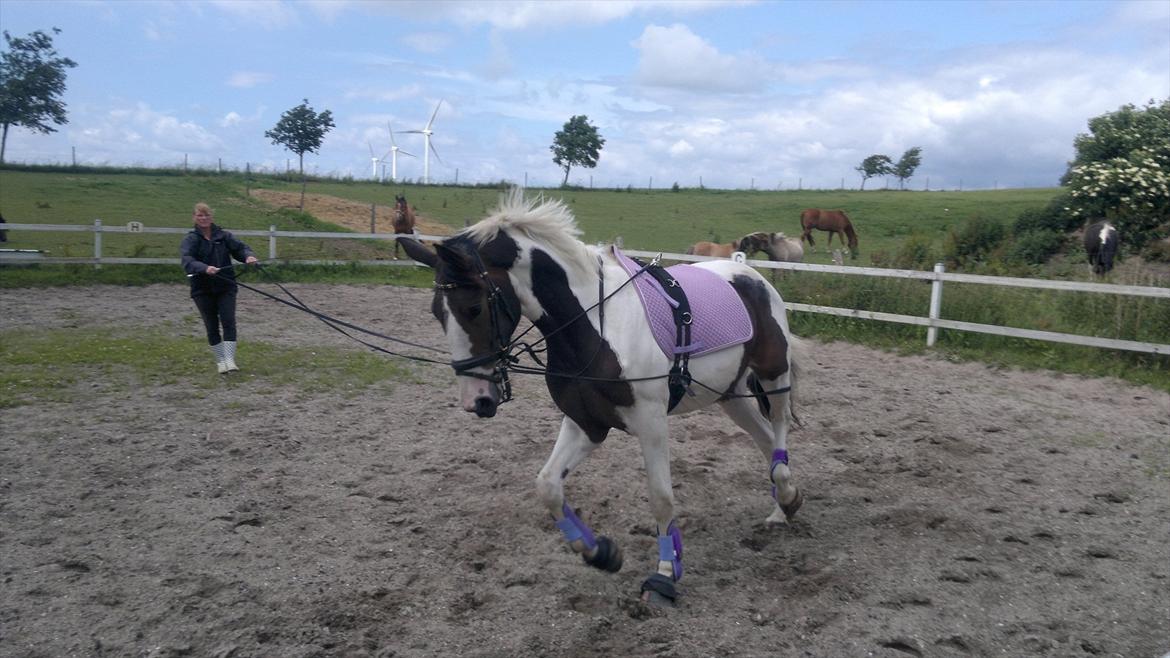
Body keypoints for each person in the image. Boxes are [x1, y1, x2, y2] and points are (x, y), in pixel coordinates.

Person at [180, 202, 258, 373]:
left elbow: (241, 248)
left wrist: (248, 257)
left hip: (226, 286)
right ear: (194, 217)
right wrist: (204, 268)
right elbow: (187, 260)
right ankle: (220, 360)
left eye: (206, 215)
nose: (204, 218)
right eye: (200, 215)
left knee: (228, 321)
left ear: (211, 217)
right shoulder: (190, 239)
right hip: (202, 288)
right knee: (211, 324)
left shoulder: (223, 236)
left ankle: (230, 359)